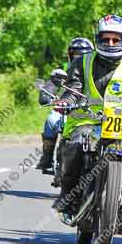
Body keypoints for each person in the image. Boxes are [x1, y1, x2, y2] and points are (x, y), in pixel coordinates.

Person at [52, 14, 122, 218]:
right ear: (98, 39)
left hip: (119, 123)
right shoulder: (82, 62)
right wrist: (66, 102)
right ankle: (67, 194)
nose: (110, 43)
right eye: (105, 39)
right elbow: (73, 88)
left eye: (116, 39)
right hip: (86, 120)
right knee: (74, 145)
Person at [36, 37, 94, 172]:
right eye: (76, 55)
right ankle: (47, 157)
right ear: (70, 55)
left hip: (90, 109)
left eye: (84, 55)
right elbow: (52, 83)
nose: (79, 58)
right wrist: (47, 93)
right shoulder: (64, 68)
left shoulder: (95, 71)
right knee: (51, 120)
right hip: (66, 107)